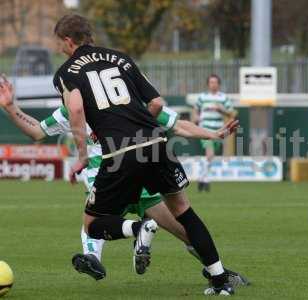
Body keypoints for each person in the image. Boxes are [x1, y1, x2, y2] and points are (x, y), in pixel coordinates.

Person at [0, 76, 248, 287]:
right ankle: (219, 272)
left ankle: (115, 243)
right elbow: (177, 125)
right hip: (141, 181)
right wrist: (213, 134)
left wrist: (11, 108)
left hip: (109, 182)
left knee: (93, 223)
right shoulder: (130, 104)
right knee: (185, 231)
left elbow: (36, 131)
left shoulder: (74, 109)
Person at [53, 14, 238, 295]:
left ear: (68, 41)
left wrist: (81, 155)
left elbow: (76, 111)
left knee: (92, 225)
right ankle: (220, 279)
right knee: (184, 211)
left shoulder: (66, 73)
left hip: (121, 151)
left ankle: (139, 228)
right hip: (155, 142)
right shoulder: (122, 58)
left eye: (59, 44)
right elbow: (156, 102)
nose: (59, 49)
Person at [192, 74, 236, 192]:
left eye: (215, 82)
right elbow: (195, 111)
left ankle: (202, 177)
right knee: (210, 154)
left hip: (218, 131)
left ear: (219, 84)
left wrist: (221, 109)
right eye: (211, 82)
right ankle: (206, 181)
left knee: (210, 157)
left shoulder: (223, 98)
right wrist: (195, 118)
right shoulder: (202, 97)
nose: (213, 84)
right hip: (205, 130)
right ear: (208, 84)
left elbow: (232, 114)